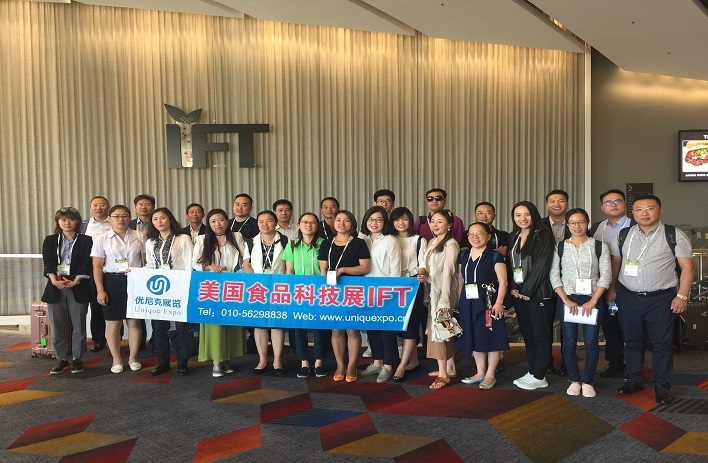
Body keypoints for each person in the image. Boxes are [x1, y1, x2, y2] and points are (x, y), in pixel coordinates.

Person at [608, 195, 693, 405]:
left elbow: (688, 268)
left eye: (650, 209)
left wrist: (682, 296)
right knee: (631, 340)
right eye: (639, 209)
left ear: (660, 210)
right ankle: (634, 379)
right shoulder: (624, 234)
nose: (644, 213)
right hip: (628, 296)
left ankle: (662, 384)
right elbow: (616, 264)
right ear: (633, 213)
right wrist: (611, 290)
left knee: (661, 343)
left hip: (660, 298)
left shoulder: (674, 234)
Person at [550, 208, 611, 397]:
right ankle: (574, 379)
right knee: (569, 342)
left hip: (592, 298)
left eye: (581, 222)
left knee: (591, 342)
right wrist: (565, 300)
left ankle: (588, 381)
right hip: (568, 298)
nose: (577, 226)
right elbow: (554, 275)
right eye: (573, 222)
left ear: (587, 223)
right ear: (567, 225)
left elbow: (606, 275)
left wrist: (594, 300)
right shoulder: (560, 247)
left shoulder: (599, 246)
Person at [91, 205, 146, 373]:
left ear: (129, 217)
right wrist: (100, 290)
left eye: (124, 216)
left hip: (135, 281)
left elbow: (145, 262)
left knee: (134, 322)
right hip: (112, 281)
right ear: (109, 218)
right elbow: (97, 267)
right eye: (116, 216)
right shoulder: (101, 239)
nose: (120, 219)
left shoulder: (139, 236)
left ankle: (133, 357)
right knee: (113, 324)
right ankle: (116, 359)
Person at [507, 201, 555, 390]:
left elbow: (542, 267)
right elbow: (511, 265)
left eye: (526, 214)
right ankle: (533, 370)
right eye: (518, 215)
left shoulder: (543, 236)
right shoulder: (514, 236)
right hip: (520, 294)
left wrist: (526, 291)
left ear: (534, 215)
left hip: (538, 294)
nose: (522, 218)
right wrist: (513, 288)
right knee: (528, 334)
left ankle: (540, 375)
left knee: (541, 334)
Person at [318, 210, 371, 382]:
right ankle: (340, 365)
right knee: (336, 330)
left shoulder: (359, 243)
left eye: (346, 220)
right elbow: (323, 269)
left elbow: (365, 267)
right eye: (338, 220)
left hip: (353, 292)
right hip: (333, 292)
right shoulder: (326, 243)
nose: (342, 223)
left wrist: (343, 270)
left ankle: (351, 365)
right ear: (333, 224)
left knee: (352, 330)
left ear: (352, 224)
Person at [193, 208, 246, 377]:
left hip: (232, 285)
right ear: (209, 223)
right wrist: (208, 266)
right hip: (211, 287)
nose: (217, 224)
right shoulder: (202, 239)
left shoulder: (236, 236)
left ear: (227, 221)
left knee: (230, 323)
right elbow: (194, 264)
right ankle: (216, 362)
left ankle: (225, 357)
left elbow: (245, 259)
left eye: (221, 220)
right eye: (213, 221)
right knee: (214, 324)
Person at [457, 222, 508, 390]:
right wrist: (459, 302)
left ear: (488, 237)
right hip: (468, 302)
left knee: (491, 337)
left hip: (488, 302)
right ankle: (480, 372)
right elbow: (461, 279)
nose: (475, 237)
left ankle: (490, 374)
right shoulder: (463, 255)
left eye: (479, 234)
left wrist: (499, 303)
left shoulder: (494, 256)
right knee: (475, 335)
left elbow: (503, 281)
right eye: (471, 234)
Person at [42, 207, 93, 375]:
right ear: (58, 222)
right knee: (58, 326)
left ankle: (77, 358)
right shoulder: (50, 240)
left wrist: (76, 280)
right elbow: (48, 263)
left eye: (71, 219)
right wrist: (54, 281)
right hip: (56, 287)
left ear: (77, 221)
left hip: (78, 286)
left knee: (79, 325)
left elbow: (86, 263)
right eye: (63, 219)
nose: (67, 223)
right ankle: (61, 359)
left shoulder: (86, 240)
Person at [144, 208, 195, 376]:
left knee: (181, 327)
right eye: (155, 219)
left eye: (163, 218)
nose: (159, 222)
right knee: (159, 328)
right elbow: (150, 265)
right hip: (159, 290)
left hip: (179, 288)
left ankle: (182, 362)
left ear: (170, 219)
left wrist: (186, 286)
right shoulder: (150, 242)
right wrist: (136, 272)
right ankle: (163, 362)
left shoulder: (183, 238)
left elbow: (189, 264)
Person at [590, 189, 632, 378]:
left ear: (625, 204)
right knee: (610, 326)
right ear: (602, 207)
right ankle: (615, 363)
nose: (613, 205)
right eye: (608, 202)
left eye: (618, 201)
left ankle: (634, 366)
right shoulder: (596, 228)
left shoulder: (635, 225)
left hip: (630, 285)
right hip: (603, 285)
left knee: (631, 327)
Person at [282, 212, 329, 378]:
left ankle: (319, 362)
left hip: (319, 292)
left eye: (312, 222)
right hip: (298, 292)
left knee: (319, 327)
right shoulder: (292, 244)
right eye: (305, 222)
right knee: (299, 327)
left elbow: (325, 270)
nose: (308, 225)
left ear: (317, 225)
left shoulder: (324, 244)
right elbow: (289, 270)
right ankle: (304, 362)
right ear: (299, 225)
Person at [358, 206, 402, 383]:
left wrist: (392, 293)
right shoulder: (362, 239)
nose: (374, 223)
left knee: (386, 330)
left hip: (385, 292)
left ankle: (389, 365)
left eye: (379, 219)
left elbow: (395, 271)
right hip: (366, 291)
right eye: (371, 219)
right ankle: (377, 362)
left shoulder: (390, 240)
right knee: (372, 329)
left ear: (385, 222)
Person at [243, 210, 288, 375]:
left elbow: (288, 264)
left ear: (276, 223)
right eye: (261, 221)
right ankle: (262, 359)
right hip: (258, 288)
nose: (264, 224)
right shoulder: (251, 242)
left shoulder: (285, 240)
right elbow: (246, 264)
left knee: (276, 323)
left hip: (278, 287)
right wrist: (256, 280)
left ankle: (277, 360)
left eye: (269, 220)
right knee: (260, 324)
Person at [419, 210, 460, 390]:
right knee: (444, 331)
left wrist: (444, 300)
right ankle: (449, 368)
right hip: (434, 292)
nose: (435, 225)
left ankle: (444, 374)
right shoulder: (432, 242)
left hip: (444, 294)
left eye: (440, 221)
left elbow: (449, 272)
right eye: (433, 221)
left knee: (440, 332)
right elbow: (431, 270)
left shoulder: (451, 244)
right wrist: (424, 278)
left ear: (449, 224)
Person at [390, 207, 427, 381]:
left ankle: (402, 365)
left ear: (410, 221)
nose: (401, 223)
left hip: (413, 283)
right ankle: (413, 361)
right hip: (394, 285)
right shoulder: (389, 239)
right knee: (397, 323)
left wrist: (421, 273)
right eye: (397, 219)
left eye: (404, 219)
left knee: (411, 323)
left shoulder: (418, 239)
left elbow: (423, 262)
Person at [81, 195, 111, 352]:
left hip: (112, 268)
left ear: (108, 207)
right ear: (90, 208)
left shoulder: (114, 222)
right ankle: (98, 339)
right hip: (92, 269)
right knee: (95, 304)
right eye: (95, 205)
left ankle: (116, 339)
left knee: (114, 304)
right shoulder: (83, 225)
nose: (99, 208)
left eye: (102, 205)